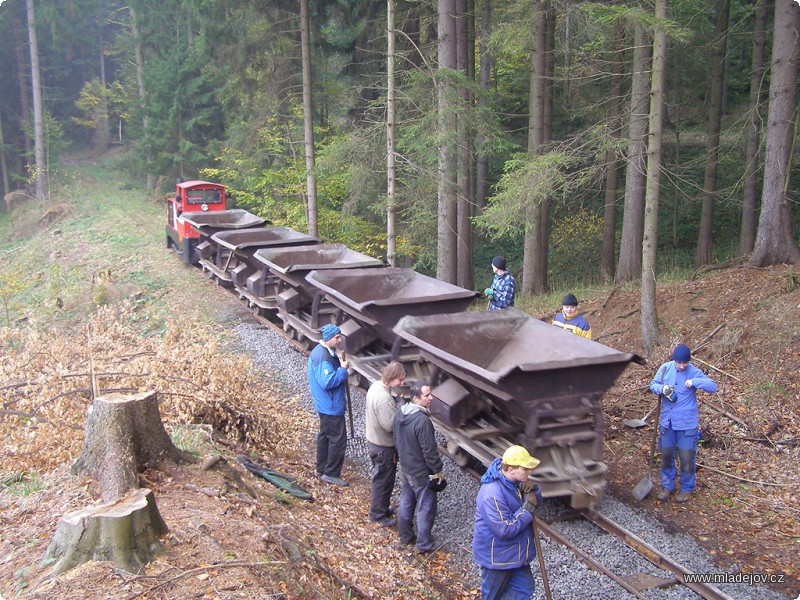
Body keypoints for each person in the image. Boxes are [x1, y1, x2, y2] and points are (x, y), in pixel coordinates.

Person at [473, 445, 543, 600]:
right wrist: (527, 509)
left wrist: (535, 491)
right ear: (511, 469)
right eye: (525, 469)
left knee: (524, 589)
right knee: (492, 596)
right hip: (498, 558)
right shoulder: (492, 494)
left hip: (515, 555)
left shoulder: (515, 483)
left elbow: (533, 501)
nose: (529, 472)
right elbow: (505, 529)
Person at [649, 344, 717, 503]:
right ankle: (667, 486)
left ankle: (686, 489)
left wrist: (694, 382)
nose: (681, 366)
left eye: (684, 363)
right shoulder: (665, 368)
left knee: (687, 457)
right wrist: (662, 388)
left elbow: (713, 387)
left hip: (687, 424)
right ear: (674, 360)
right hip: (667, 422)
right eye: (679, 362)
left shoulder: (693, 371)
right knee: (666, 455)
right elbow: (652, 385)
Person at [394, 380, 444, 554]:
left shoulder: (401, 412)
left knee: (406, 501)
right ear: (416, 399)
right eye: (427, 395)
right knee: (426, 507)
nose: (431, 398)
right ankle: (423, 544)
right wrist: (437, 470)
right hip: (420, 472)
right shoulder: (422, 421)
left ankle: (405, 535)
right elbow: (429, 450)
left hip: (406, 466)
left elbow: (396, 438)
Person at [365, 361, 407, 526]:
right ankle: (377, 515)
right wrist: (400, 407)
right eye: (400, 379)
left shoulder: (376, 386)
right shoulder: (383, 399)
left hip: (375, 441)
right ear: (392, 377)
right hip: (383, 447)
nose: (402, 383)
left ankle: (381, 508)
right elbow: (389, 425)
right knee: (383, 480)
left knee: (382, 478)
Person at [308, 323, 350, 487]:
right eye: (337, 338)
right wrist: (343, 370)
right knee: (338, 440)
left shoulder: (322, 352)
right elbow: (328, 382)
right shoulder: (323, 357)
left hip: (325, 404)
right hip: (331, 406)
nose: (339, 341)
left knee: (325, 436)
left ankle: (321, 468)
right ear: (328, 339)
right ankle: (331, 473)